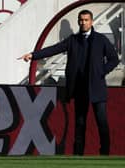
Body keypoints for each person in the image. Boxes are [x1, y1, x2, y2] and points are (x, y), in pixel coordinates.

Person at [18, 10, 119, 155]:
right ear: (78, 22)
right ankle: (78, 155)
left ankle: (105, 153)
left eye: (86, 20)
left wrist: (101, 71)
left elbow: (114, 59)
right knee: (79, 124)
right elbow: (54, 49)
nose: (83, 23)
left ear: (91, 22)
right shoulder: (73, 40)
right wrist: (33, 55)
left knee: (102, 123)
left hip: (97, 88)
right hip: (79, 88)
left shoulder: (101, 40)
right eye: (81, 20)